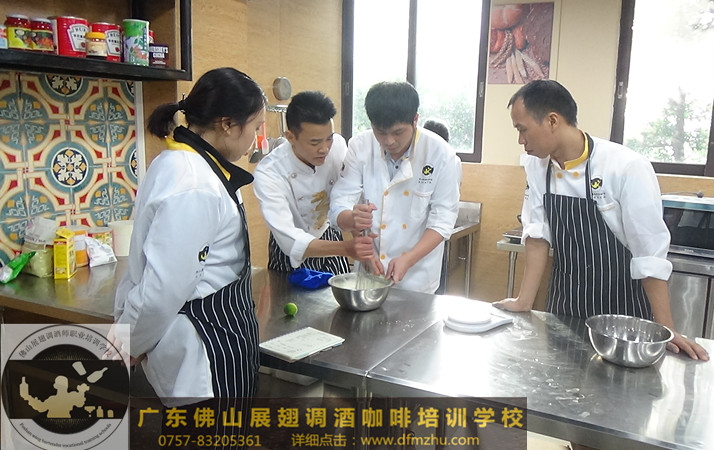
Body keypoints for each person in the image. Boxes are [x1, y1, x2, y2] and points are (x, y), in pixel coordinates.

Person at [494, 80, 708, 361]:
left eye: (522, 129)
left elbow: (648, 254)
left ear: (552, 121)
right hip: (565, 308)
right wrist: (524, 301)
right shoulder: (537, 166)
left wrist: (666, 328)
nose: (520, 140)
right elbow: (537, 235)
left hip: (623, 317)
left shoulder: (625, 166)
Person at [113, 67, 266, 405]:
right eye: (255, 127)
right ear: (227, 124)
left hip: (216, 345)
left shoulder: (184, 163)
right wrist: (129, 343)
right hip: (208, 358)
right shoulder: (194, 183)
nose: (256, 140)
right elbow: (163, 287)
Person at [329, 81, 462, 293]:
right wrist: (352, 220)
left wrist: (409, 259)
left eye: (398, 132)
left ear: (415, 120)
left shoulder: (442, 155)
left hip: (418, 279)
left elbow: (443, 220)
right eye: (380, 132)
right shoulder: (360, 146)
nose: (389, 141)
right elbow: (339, 203)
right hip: (369, 272)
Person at [253, 91, 374, 274]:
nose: (324, 149)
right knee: (289, 292)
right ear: (290, 137)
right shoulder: (269, 172)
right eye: (315, 142)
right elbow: (288, 239)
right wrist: (347, 248)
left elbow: (345, 194)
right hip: (290, 249)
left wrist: (356, 230)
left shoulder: (338, 146)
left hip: (328, 232)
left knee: (338, 288)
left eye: (329, 138)